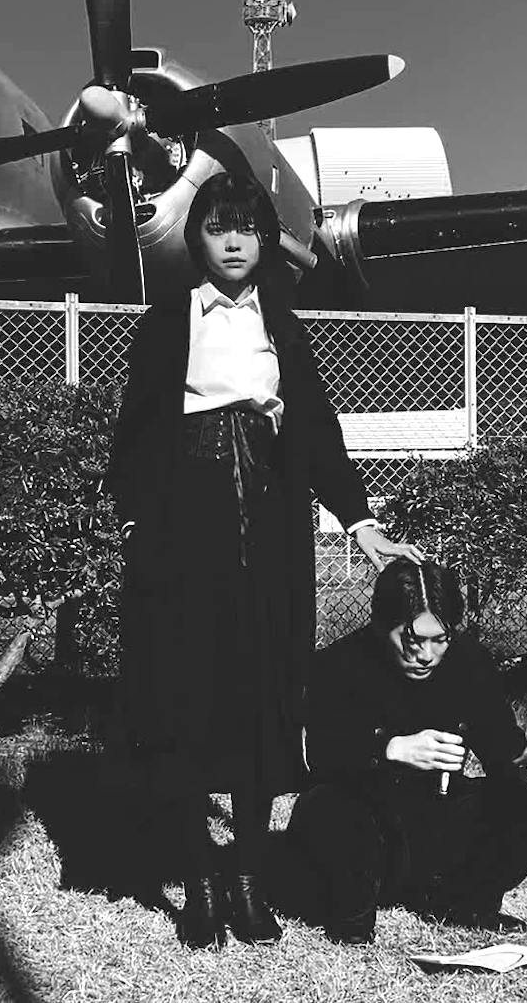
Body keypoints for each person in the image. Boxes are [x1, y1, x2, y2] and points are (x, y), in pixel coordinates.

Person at [106, 171, 422, 950]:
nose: (233, 242)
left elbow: (316, 430)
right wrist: (134, 524)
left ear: (265, 240)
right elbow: (134, 437)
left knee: (261, 700)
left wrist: (361, 521)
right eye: (218, 227)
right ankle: (198, 879)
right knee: (183, 697)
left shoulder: (284, 325)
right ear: (196, 238)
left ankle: (246, 877)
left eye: (247, 227)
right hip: (184, 527)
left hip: (271, 527)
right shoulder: (164, 322)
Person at [285, 560, 527, 945]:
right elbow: (320, 756)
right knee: (332, 810)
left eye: (440, 639)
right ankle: (352, 913)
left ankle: (463, 903)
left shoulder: (469, 661)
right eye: (413, 639)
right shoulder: (340, 663)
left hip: (437, 816)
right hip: (363, 820)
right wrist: (390, 748)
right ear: (381, 625)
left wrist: (521, 764)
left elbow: (498, 739)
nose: (427, 654)